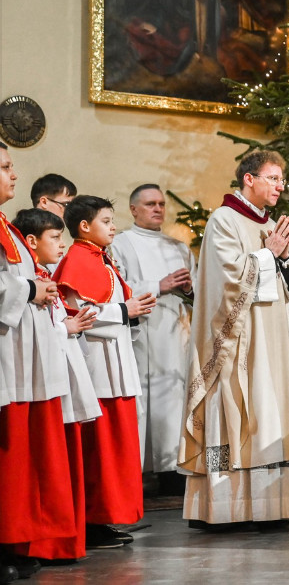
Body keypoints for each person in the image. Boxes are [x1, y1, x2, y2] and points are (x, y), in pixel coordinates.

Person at [180, 150, 289, 528]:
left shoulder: (271, 225)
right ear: (249, 179)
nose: (280, 185)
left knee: (272, 408)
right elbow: (228, 279)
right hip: (238, 340)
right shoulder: (224, 220)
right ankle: (225, 509)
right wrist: (269, 256)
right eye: (272, 177)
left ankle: (271, 508)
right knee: (237, 407)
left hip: (274, 338)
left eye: (282, 179)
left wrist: (283, 260)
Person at [52, 196, 156, 549]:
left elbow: (112, 308)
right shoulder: (78, 259)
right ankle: (92, 521)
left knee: (116, 447)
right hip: (97, 367)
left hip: (116, 363)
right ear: (84, 226)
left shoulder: (100, 258)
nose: (114, 227)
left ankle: (105, 518)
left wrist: (133, 311)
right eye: (107, 221)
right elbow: (81, 313)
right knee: (99, 449)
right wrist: (126, 310)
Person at [0, 148, 76, 577]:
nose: (14, 174)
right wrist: (30, 291)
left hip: (27, 363)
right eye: (6, 167)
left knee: (27, 461)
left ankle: (20, 543)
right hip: (10, 362)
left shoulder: (7, 229)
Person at [13, 208, 102, 560]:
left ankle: (63, 542)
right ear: (32, 241)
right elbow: (26, 334)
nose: (62, 244)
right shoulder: (31, 284)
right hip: (37, 382)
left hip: (57, 379)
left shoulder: (42, 276)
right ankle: (45, 545)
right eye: (55, 237)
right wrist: (65, 328)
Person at [111, 184, 195, 496]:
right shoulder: (120, 244)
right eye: (150, 204)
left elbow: (197, 287)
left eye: (161, 203)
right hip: (142, 332)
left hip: (174, 331)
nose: (158, 208)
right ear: (133, 209)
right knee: (144, 404)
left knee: (174, 400)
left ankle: (172, 472)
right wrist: (157, 285)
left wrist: (188, 289)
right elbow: (114, 288)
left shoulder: (178, 246)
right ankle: (139, 474)